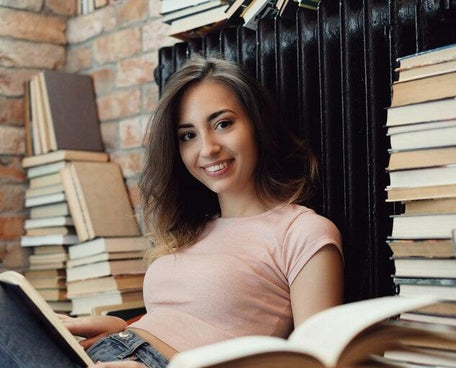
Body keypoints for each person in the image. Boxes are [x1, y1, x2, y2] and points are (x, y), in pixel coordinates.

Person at [4, 56, 344, 368]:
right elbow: (175, 321)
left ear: (257, 125)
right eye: (188, 135)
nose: (208, 149)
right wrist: (115, 327)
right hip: (105, 352)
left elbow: (315, 363)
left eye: (223, 124)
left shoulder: (303, 232)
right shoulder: (192, 228)